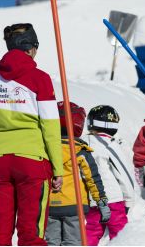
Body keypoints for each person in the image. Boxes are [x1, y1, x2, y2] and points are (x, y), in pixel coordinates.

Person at [0, 23, 63, 246]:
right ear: (32, 48)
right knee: (31, 234)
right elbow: (51, 127)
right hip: (32, 160)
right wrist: (58, 168)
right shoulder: (40, 78)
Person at [45, 101, 110, 246]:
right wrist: (101, 200)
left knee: (50, 242)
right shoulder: (80, 151)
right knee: (73, 241)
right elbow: (92, 178)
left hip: (49, 205)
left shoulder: (44, 149)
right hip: (75, 206)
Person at [83, 105, 134, 246]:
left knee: (92, 230)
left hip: (92, 199)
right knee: (120, 233)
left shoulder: (81, 144)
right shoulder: (109, 145)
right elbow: (123, 173)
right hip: (113, 199)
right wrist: (129, 200)